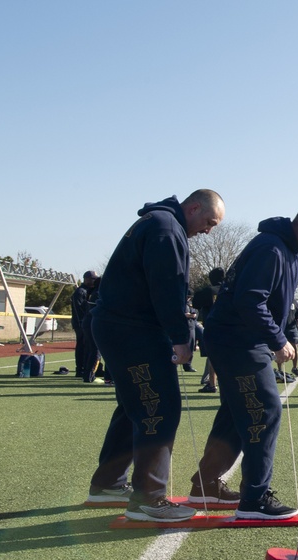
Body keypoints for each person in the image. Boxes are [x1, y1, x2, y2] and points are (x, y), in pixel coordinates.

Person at [187, 202, 298, 517]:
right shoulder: (271, 249)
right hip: (238, 341)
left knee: (236, 413)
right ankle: (255, 500)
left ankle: (205, 485)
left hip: (240, 339)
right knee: (264, 411)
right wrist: (277, 339)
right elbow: (251, 301)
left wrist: (284, 336)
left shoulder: (284, 249)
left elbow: (275, 302)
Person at [86, 189, 225, 521]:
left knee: (135, 405)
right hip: (133, 329)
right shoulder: (165, 227)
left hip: (120, 326)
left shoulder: (160, 222)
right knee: (158, 406)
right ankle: (149, 498)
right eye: (209, 222)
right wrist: (181, 337)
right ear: (192, 208)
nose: (208, 230)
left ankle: (107, 484)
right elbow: (167, 287)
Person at [71, 271, 98, 377]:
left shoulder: (89, 291)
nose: (94, 281)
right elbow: (78, 310)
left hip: (85, 323)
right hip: (81, 324)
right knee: (82, 346)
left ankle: (87, 367)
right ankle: (80, 369)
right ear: (86, 279)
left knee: (88, 346)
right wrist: (81, 324)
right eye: (92, 279)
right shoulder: (80, 292)